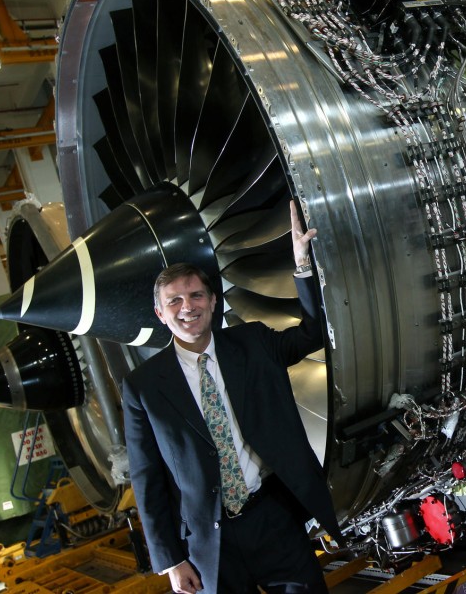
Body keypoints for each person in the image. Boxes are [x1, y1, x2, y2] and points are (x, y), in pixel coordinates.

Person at [122, 200, 340, 594]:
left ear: (212, 301)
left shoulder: (252, 342)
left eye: (196, 296)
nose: (187, 307)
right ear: (160, 313)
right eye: (175, 301)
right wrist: (171, 560)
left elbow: (311, 334)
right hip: (208, 543)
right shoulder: (143, 387)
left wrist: (302, 266)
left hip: (272, 516)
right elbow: (147, 477)